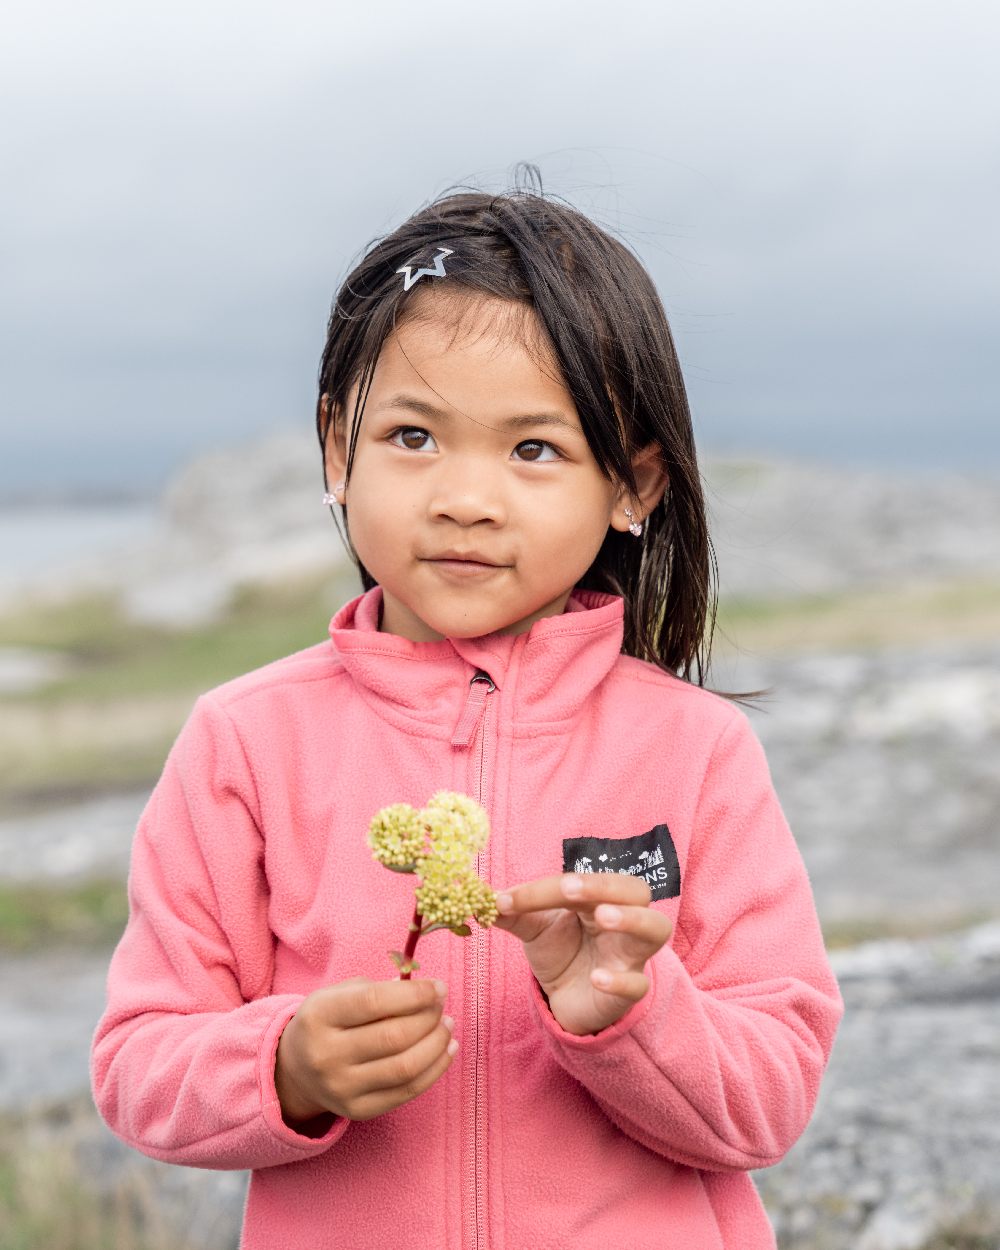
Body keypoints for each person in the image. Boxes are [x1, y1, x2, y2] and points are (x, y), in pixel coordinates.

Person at [91, 169, 843, 1250]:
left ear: (632, 485)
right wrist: (287, 1065)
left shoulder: (695, 751)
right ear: (336, 446)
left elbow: (768, 1102)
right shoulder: (245, 742)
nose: (463, 496)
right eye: (413, 436)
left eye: (534, 448)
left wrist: (631, 1013)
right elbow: (137, 1060)